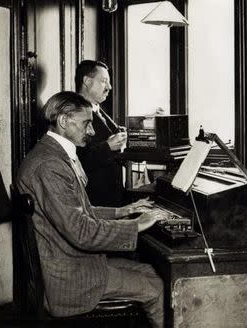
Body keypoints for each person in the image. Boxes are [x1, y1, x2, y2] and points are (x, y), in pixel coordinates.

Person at [16, 91, 168, 328]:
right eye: (87, 123)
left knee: (150, 270)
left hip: (69, 261)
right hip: (69, 278)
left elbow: (79, 211)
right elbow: (81, 231)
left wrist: (123, 211)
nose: (92, 132)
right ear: (64, 121)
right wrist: (136, 225)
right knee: (155, 288)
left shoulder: (52, 154)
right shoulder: (49, 165)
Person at [75, 60, 127, 207]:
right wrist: (108, 146)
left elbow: (111, 132)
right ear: (87, 81)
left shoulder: (96, 108)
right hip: (95, 201)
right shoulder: (75, 112)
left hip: (110, 198)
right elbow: (76, 161)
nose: (109, 87)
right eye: (104, 81)